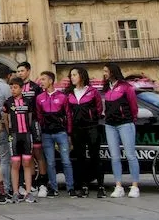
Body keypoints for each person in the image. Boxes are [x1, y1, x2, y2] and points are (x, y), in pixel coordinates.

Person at [102, 63, 140, 198]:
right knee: (115, 156)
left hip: (125, 123)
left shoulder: (126, 87)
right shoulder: (106, 88)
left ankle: (135, 186)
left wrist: (132, 119)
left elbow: (133, 106)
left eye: (106, 71)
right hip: (110, 125)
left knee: (130, 155)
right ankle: (118, 186)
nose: (104, 73)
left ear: (113, 72)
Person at [66, 65, 105, 198]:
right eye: (71, 75)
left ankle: (101, 186)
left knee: (95, 156)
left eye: (74, 75)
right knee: (80, 158)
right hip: (77, 129)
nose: (72, 78)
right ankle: (84, 185)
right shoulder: (69, 93)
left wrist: (93, 118)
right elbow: (69, 115)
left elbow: (99, 109)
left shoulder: (92, 91)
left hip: (91, 127)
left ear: (82, 76)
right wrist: (70, 132)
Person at [36, 71, 75, 197]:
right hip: (46, 134)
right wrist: (43, 128)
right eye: (40, 79)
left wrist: (69, 133)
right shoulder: (39, 98)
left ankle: (70, 187)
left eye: (43, 79)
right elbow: (39, 116)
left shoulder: (63, 97)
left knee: (66, 161)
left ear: (51, 81)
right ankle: (53, 187)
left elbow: (68, 115)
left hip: (61, 132)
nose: (41, 82)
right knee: (50, 162)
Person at [16, 62, 48, 195]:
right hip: (20, 125)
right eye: (18, 71)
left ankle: (43, 183)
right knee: (25, 155)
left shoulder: (36, 87)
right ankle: (27, 183)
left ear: (28, 71)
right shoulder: (16, 88)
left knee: (38, 152)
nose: (20, 73)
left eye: (22, 71)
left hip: (34, 123)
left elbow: (41, 104)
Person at [4, 77, 36, 203]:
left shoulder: (28, 101)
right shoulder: (8, 102)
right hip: (14, 136)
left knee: (27, 163)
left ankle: (28, 192)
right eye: (11, 87)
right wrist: (10, 132)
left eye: (15, 87)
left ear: (21, 88)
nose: (13, 90)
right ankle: (16, 192)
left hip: (26, 135)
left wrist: (28, 131)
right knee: (15, 164)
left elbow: (29, 118)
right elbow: (5, 119)